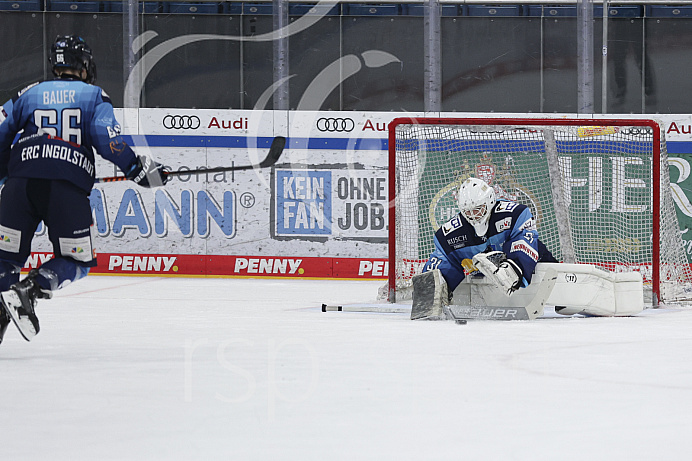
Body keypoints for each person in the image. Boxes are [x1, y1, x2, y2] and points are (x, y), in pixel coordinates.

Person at [0, 35, 169, 343]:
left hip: (19, 187)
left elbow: (0, 131)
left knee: (4, 259)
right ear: (83, 66)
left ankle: (0, 312)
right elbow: (108, 139)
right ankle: (33, 288)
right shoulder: (93, 95)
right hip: (64, 191)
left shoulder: (28, 93)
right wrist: (136, 168)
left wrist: (5, 174)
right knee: (77, 260)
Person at [411, 177, 557, 320]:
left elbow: (526, 239)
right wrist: (429, 290)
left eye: (478, 209)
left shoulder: (514, 214)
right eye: (468, 212)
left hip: (532, 267)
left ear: (490, 201)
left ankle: (511, 273)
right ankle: (430, 298)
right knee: (434, 280)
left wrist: (513, 266)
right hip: (484, 276)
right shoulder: (450, 234)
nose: (474, 216)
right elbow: (442, 258)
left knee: (530, 245)